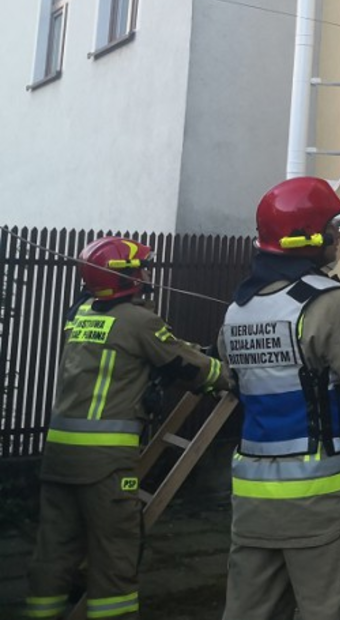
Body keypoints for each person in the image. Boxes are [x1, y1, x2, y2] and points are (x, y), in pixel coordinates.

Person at [25, 236, 230, 620]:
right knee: (113, 556)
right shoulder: (138, 321)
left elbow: (148, 346)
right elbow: (186, 365)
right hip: (104, 463)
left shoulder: (80, 315)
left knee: (54, 550)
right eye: (140, 269)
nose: (147, 275)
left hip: (58, 457)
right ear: (124, 277)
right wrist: (225, 374)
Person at [219, 177, 340, 620]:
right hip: (323, 503)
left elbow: (236, 385)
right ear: (307, 238)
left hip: (253, 501)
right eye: (329, 226)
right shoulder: (333, 304)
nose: (336, 233)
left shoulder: (237, 311)